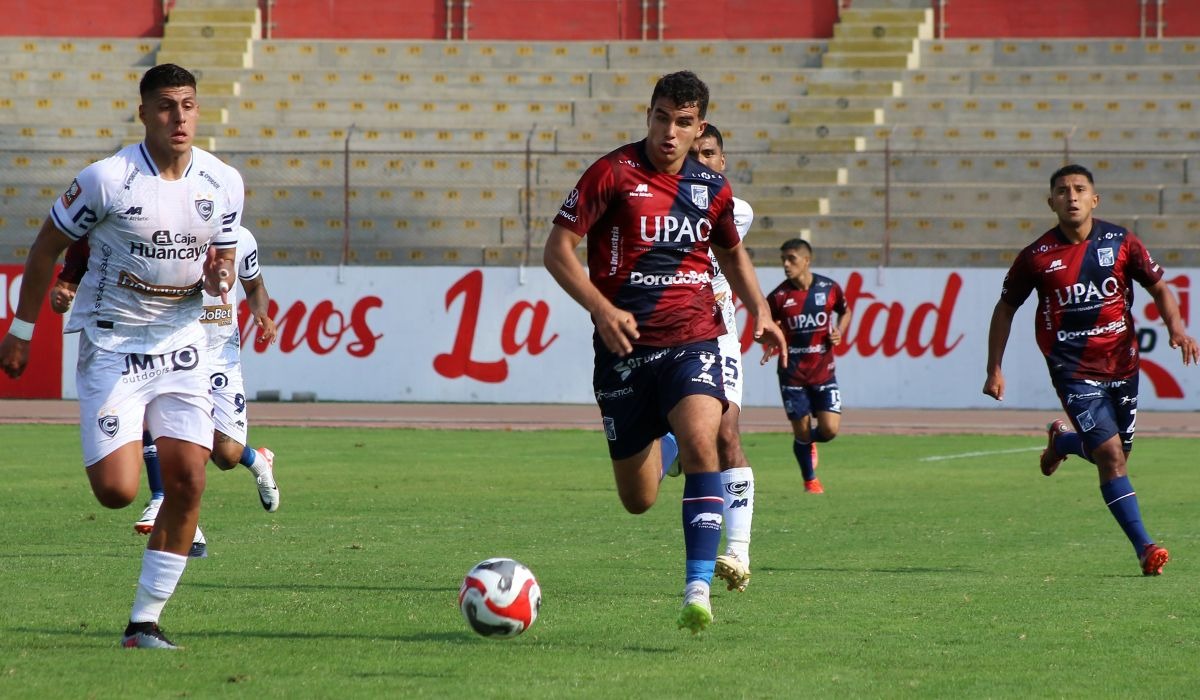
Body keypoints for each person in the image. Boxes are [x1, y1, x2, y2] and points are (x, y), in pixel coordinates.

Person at [0, 63, 244, 649]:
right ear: (143, 113)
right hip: (113, 344)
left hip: (183, 344)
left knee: (189, 481)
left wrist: (220, 276)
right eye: (166, 106)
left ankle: (144, 623)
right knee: (116, 491)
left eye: (188, 105)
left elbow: (224, 264)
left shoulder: (224, 182)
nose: (179, 117)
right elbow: (45, 248)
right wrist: (22, 329)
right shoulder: (107, 179)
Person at [542, 70, 786, 634]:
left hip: (693, 337)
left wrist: (761, 311)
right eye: (661, 118)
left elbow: (733, 253)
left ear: (700, 127)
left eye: (683, 122)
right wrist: (601, 309)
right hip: (623, 350)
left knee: (706, 442)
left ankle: (697, 590)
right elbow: (557, 250)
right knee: (639, 499)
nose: (669, 132)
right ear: (648, 115)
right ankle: (661, 439)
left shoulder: (712, 187)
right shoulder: (611, 172)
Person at [983, 163, 1198, 576]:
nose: (1072, 196)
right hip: (1072, 368)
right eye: (1063, 191)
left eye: (1080, 189)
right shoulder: (1036, 257)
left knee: (1117, 455)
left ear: (1094, 199)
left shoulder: (1121, 242)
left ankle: (1062, 442)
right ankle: (1145, 548)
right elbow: (1005, 308)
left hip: (1123, 363)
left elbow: (1158, 287)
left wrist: (1177, 329)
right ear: (1051, 202)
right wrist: (995, 368)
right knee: (1111, 455)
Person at [52, 227, 281, 548]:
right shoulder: (172, 234)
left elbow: (255, 286)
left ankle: (256, 459)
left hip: (221, 352)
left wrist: (262, 313)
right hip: (175, 346)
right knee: (169, 428)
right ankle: (169, 505)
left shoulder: (241, 238)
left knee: (226, 454)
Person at [658, 124, 758, 594]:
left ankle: (738, 552)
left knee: (727, 432)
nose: (701, 161)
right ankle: (681, 440)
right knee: (655, 469)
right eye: (693, 153)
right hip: (668, 336)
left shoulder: (736, 210)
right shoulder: (655, 207)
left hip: (719, 336)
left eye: (709, 153)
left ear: (722, 161)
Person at [766, 239, 851, 493]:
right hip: (792, 374)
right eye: (783, 259)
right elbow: (763, 327)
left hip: (824, 372)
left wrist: (839, 331)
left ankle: (809, 442)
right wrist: (771, 338)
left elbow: (845, 311)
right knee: (801, 432)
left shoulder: (829, 288)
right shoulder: (778, 297)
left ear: (806, 260)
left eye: (791, 258)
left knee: (829, 430)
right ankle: (810, 480)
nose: (786, 264)